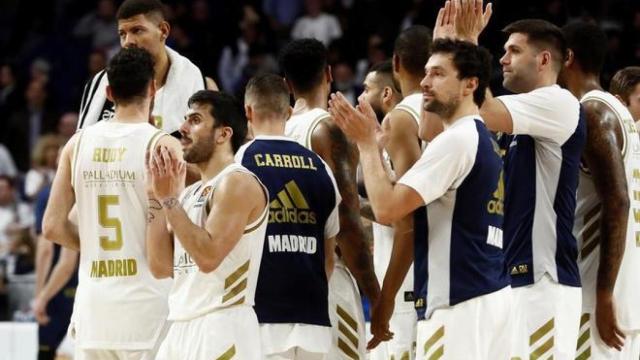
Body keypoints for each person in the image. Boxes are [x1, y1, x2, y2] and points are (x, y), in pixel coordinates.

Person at [330, 38, 511, 360]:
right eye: (426, 73)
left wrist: (367, 145)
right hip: (489, 295)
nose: (425, 83)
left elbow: (387, 209)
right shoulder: (482, 137)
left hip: (459, 303)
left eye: (439, 74)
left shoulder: (455, 141)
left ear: (470, 84)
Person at [434, 2, 586, 357]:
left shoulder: (558, 103)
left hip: (544, 282)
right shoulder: (515, 114)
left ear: (545, 60)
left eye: (513, 51)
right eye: (502, 51)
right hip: (504, 280)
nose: (502, 59)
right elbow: (437, 124)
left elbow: (483, 109)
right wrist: (445, 49)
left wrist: (469, 43)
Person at [43, 47, 179, 359]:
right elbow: (178, 226)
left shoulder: (76, 144)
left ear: (108, 92)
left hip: (94, 311)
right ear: (152, 88)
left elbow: (51, 227)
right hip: (149, 308)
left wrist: (93, 244)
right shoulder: (163, 145)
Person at [146, 90, 268, 360]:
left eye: (195, 120)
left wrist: (168, 200)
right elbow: (161, 265)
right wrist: (155, 197)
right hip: (180, 324)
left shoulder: (237, 182)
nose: (183, 128)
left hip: (221, 325)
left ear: (223, 134)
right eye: (186, 120)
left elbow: (209, 257)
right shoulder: (189, 193)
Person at [280, 38, 380, 359]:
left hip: (280, 284)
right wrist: (377, 297)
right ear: (329, 74)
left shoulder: (271, 133)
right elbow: (347, 223)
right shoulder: (327, 130)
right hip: (326, 278)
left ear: (286, 84)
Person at [236, 73, 341, 359]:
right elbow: (328, 257)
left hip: (263, 317)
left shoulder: (241, 161)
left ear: (248, 111)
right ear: (289, 111)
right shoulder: (320, 167)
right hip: (314, 317)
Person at [560, 21, 640, 359]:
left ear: (567, 58)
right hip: (623, 284)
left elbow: (618, 202)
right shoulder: (618, 111)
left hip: (600, 289)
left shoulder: (592, 111)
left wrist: (603, 294)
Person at [77, 0, 218, 135]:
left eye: (137, 31)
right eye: (122, 34)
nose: (128, 42)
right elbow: (79, 149)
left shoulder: (201, 85)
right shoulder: (100, 84)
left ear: (163, 30)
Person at [356, 60, 418, 360]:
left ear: (386, 94)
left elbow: (403, 215)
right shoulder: (385, 135)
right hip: (397, 273)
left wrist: (351, 204)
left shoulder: (399, 125)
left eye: (366, 89)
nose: (360, 97)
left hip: (405, 279)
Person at [32, 182, 78, 360]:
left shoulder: (49, 194)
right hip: (91, 284)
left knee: (51, 353)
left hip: (57, 291)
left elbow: (46, 250)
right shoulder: (93, 187)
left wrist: (41, 296)